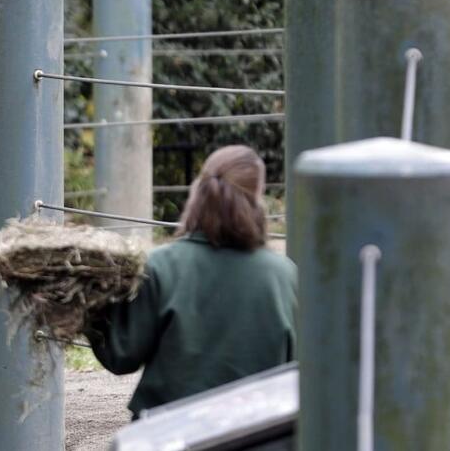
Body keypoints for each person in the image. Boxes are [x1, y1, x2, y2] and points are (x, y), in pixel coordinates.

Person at [85, 144, 297, 418]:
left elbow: (121, 356)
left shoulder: (161, 266)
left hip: (169, 435)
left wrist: (88, 303)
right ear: (258, 197)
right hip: (259, 435)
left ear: (199, 191)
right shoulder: (285, 276)